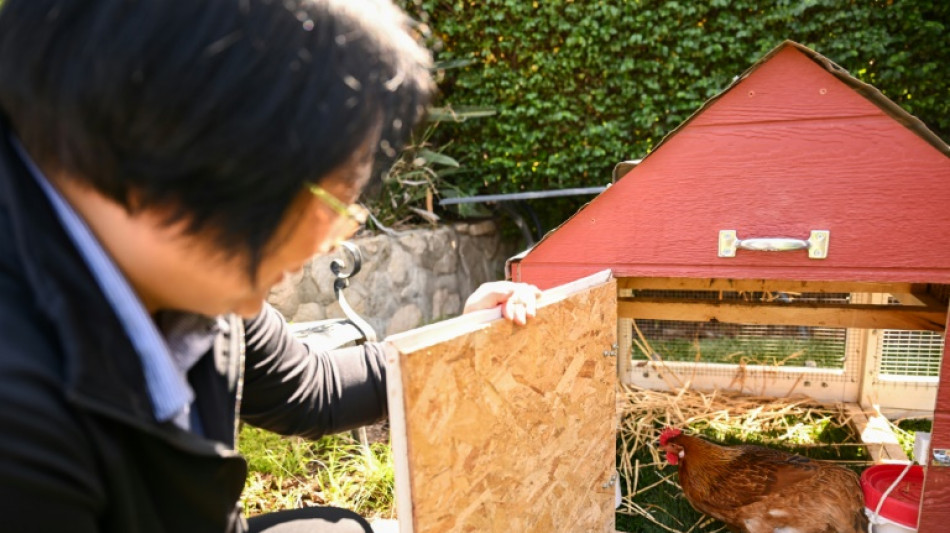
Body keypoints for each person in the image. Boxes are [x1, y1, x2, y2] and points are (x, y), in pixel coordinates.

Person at [0, 1, 541, 532]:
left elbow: (309, 389)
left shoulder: (185, 282)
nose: (326, 245)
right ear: (192, 144)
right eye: (331, 204)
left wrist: (458, 343)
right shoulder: (21, 429)